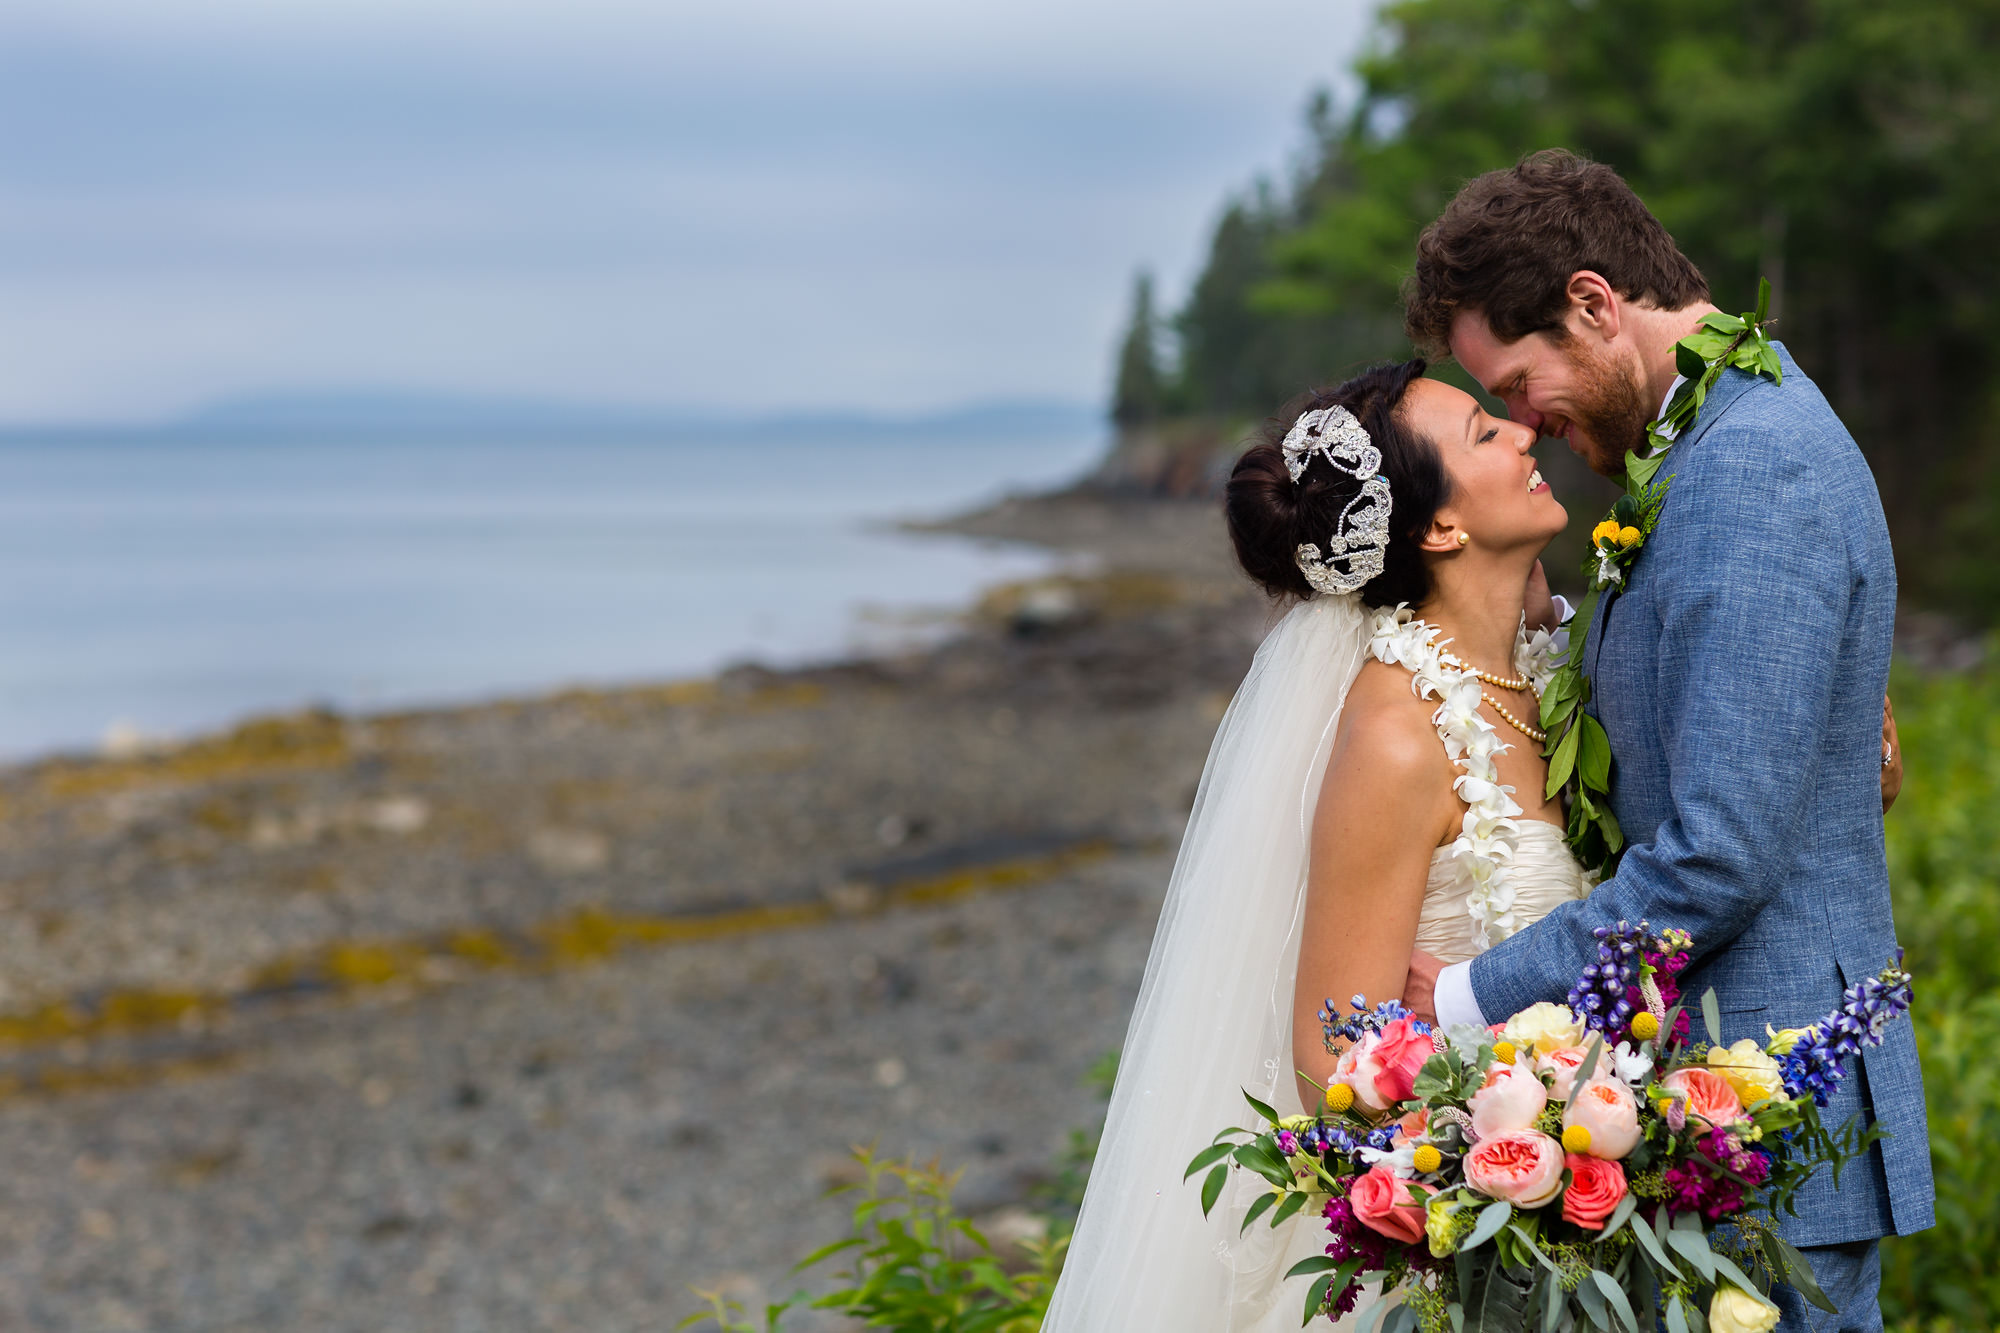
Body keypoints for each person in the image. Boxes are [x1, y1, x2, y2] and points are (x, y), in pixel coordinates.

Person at [1397, 150, 1932, 1332]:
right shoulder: (1701, 445)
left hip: (1766, 1118)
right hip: (1710, 1123)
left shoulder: (1750, 468)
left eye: (1516, 381)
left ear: (1592, 303)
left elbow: (1715, 857)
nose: (1524, 424)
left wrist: (1468, 996)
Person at [1042, 358, 1597, 1330]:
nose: (1523, 432)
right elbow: (1330, 1058)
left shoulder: (1546, 668)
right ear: (1439, 527)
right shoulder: (1395, 736)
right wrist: (1514, 1153)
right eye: (1483, 433)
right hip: (1473, 1247)